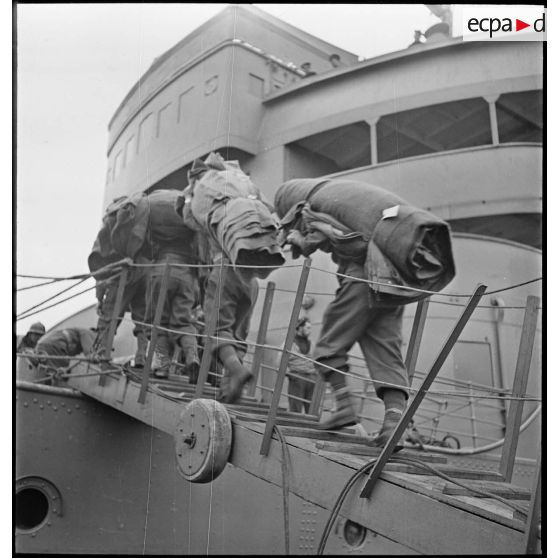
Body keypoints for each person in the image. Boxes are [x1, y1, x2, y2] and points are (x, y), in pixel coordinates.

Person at [276, 177, 455, 447]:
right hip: (391, 282)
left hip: (363, 276)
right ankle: (394, 425)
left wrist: (299, 239)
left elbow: (330, 237)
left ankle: (344, 407)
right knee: (386, 354)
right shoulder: (337, 197)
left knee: (328, 345)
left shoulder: (312, 207)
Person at [144, 189, 201, 380]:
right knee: (182, 322)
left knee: (157, 322)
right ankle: (192, 356)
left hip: (162, 270)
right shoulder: (190, 225)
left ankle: (162, 366)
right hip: (186, 275)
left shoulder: (158, 228)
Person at [29, 327, 97, 386]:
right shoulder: (89, 333)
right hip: (55, 346)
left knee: (44, 368)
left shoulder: (75, 331)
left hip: (41, 344)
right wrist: (94, 357)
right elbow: (90, 354)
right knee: (63, 374)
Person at [286, 317, 316, 413]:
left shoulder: (311, 343)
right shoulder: (289, 343)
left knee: (312, 410)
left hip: (312, 378)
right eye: (308, 328)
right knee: (295, 410)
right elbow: (280, 361)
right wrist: (291, 375)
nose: (310, 331)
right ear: (300, 328)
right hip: (297, 378)